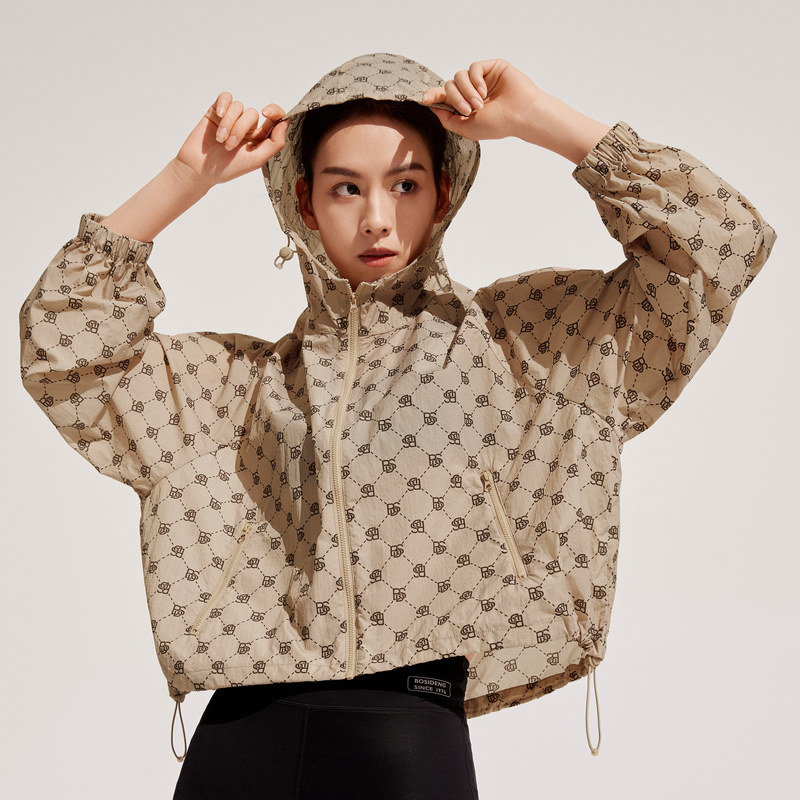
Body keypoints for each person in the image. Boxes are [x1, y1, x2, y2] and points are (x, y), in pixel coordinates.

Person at [19, 53, 777, 800]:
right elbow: (63, 348)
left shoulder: (522, 345)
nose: (377, 218)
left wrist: (538, 117)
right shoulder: (236, 389)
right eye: (346, 188)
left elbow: (721, 243)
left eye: (405, 184)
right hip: (244, 741)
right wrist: (188, 177)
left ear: (444, 193)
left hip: (412, 736)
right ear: (304, 203)